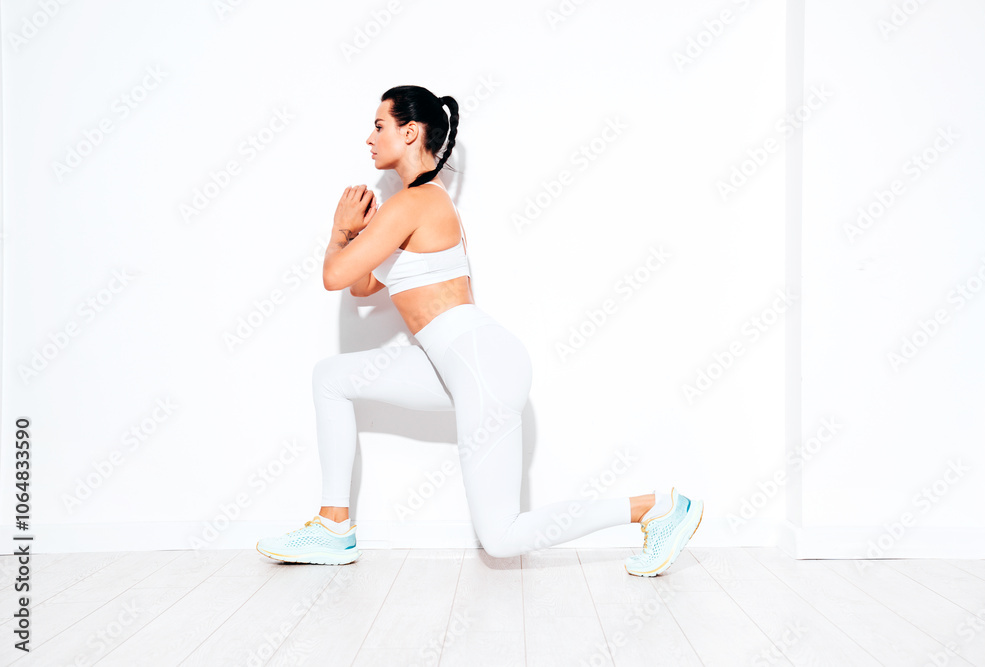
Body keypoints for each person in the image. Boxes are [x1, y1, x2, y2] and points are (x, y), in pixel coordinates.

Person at [255, 85, 703, 576]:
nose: (369, 137)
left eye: (379, 126)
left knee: (502, 538)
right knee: (331, 378)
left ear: (410, 132)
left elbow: (334, 276)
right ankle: (333, 527)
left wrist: (341, 232)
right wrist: (351, 236)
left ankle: (659, 508)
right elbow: (362, 286)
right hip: (453, 363)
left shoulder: (417, 202)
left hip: (477, 360)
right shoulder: (409, 209)